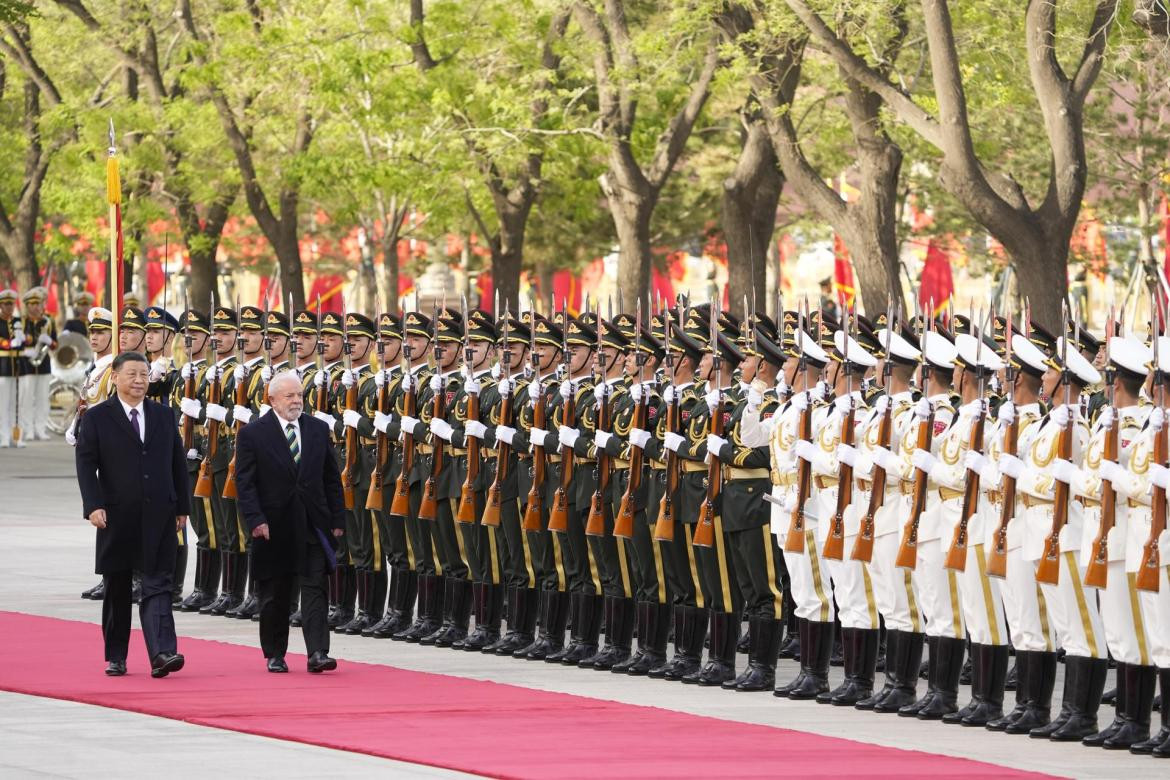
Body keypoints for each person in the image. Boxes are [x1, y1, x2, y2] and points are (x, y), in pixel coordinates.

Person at [74, 351, 189, 677]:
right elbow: (85, 464)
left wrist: (183, 506)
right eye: (132, 374)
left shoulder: (164, 416)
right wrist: (93, 505)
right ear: (115, 376)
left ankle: (163, 652)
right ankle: (116, 654)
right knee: (118, 586)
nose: (139, 381)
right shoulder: (98, 417)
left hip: (159, 514)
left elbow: (177, 463)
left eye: (144, 374)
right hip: (116, 516)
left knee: (158, 584)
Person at [234, 370, 345, 673]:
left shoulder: (318, 430)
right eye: (290, 396)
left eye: (299, 395)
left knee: (315, 589)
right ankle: (275, 653)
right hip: (273, 526)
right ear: (271, 400)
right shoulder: (253, 434)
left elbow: (331, 479)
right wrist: (255, 519)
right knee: (275, 594)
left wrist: (336, 518)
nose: (297, 401)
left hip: (312, 523)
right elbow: (245, 484)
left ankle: (318, 652)